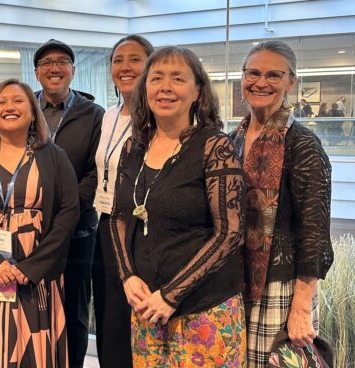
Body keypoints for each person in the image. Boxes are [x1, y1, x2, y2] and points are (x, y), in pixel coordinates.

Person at [110, 47, 246, 367]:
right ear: (145, 88)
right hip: (147, 308)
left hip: (205, 310)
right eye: (156, 77)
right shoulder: (134, 146)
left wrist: (171, 295)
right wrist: (127, 276)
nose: (165, 87)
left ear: (198, 90)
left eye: (178, 78)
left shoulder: (215, 146)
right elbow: (118, 216)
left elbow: (230, 233)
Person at [0, 79, 79, 367]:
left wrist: (33, 267)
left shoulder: (54, 156)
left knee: (36, 346)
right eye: (1, 102)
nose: (9, 107)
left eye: (18, 101)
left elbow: (69, 212)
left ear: (33, 112)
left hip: (39, 274)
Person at [229, 40, 334, 367]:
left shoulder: (302, 144)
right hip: (235, 284)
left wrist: (301, 308)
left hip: (282, 289)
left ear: (291, 82)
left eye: (274, 75)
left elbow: (314, 231)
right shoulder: (232, 139)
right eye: (253, 73)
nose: (261, 83)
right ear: (242, 78)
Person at [32, 38, 104, 367]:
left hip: (77, 232)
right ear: (36, 72)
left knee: (74, 309)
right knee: (33, 307)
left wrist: (63, 211)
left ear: (73, 71)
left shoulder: (93, 114)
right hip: (28, 232)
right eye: (46, 63)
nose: (54, 68)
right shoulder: (23, 109)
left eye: (62, 61)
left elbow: (97, 171)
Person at [92, 34, 154, 368]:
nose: (125, 67)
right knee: (108, 314)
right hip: (104, 222)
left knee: (133, 314)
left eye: (135, 59)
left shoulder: (157, 119)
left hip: (138, 228)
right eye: (118, 60)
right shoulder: (109, 115)